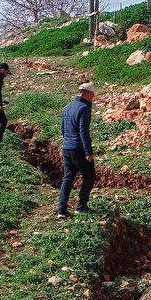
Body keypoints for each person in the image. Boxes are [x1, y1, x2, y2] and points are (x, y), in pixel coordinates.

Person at [57, 82, 96, 219]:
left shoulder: (67, 107)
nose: (93, 99)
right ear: (89, 94)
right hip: (79, 149)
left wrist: (68, 141)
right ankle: (81, 206)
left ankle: (61, 210)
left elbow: (63, 129)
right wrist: (88, 152)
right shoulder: (84, 108)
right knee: (90, 177)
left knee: (67, 178)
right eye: (93, 96)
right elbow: (83, 131)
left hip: (66, 148)